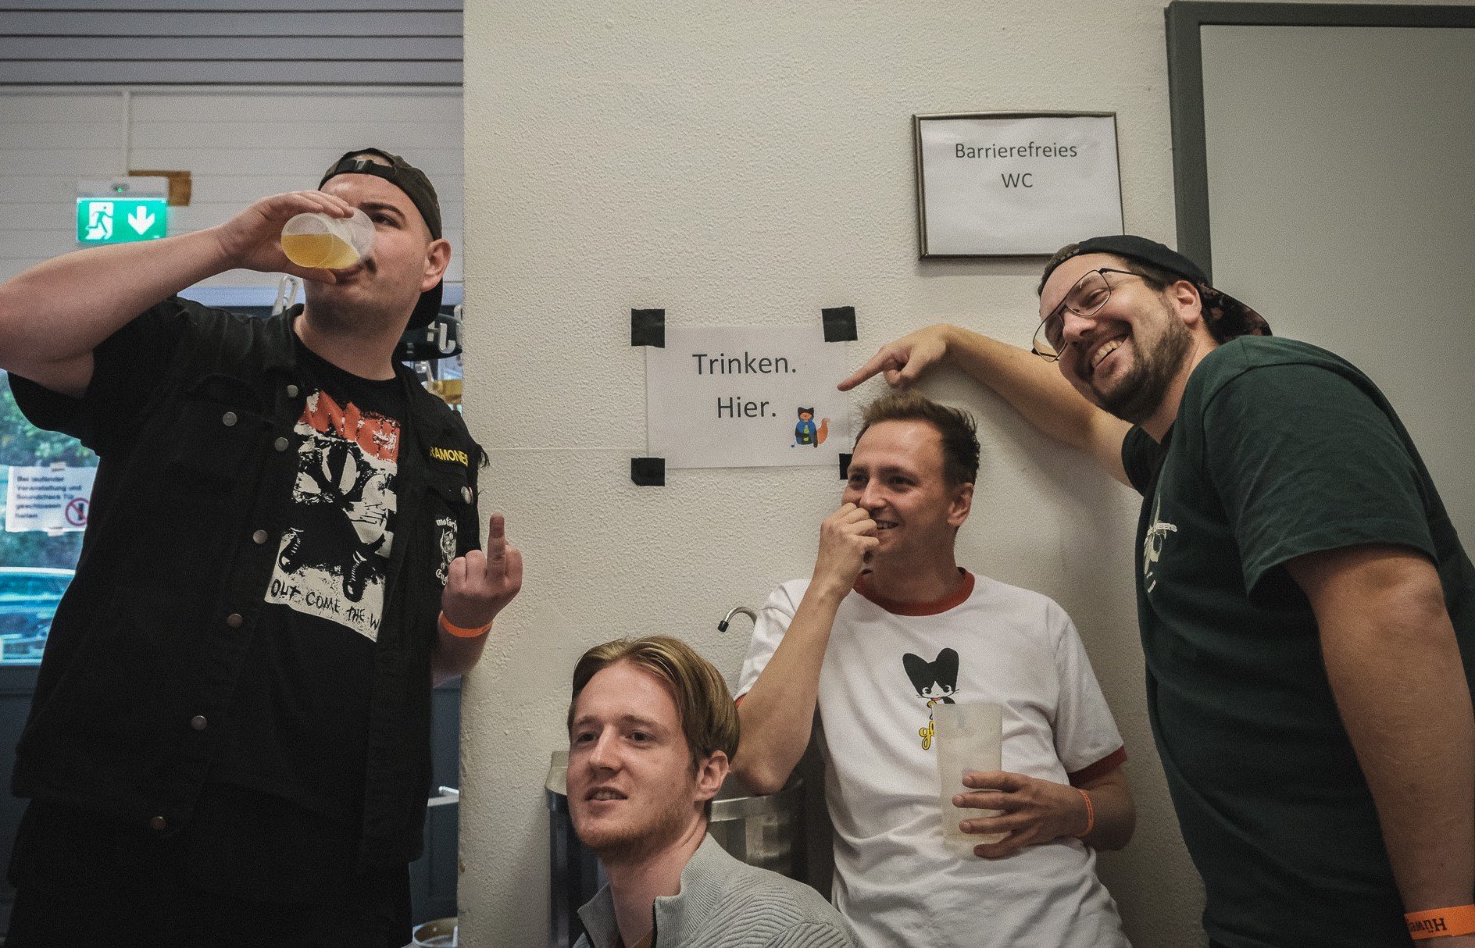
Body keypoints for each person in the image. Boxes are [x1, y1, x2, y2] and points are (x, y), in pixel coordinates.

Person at [841, 234, 1475, 948]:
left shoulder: (1255, 384)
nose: (1074, 330)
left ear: (1185, 297)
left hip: (1379, 910)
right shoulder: (1176, 455)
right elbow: (1082, 419)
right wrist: (954, 341)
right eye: (1056, 330)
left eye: (1095, 295)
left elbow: (1396, 613)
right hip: (1283, 909)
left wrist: (1445, 920)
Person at [0, 148, 523, 948]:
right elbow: (1, 326)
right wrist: (227, 244)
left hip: (333, 872)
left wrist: (468, 618)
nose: (352, 229)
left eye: (381, 218)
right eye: (334, 213)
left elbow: (427, 660)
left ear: (434, 262)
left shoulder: (444, 448)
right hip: (120, 844)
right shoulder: (194, 353)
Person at [731, 393, 1134, 948]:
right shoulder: (799, 608)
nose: (868, 498)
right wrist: (828, 585)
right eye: (857, 479)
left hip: (1067, 930)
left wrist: (1071, 810)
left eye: (898, 481)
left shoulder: (1037, 621)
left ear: (958, 503)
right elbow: (757, 767)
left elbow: (1119, 814)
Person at [567, 636, 859, 948]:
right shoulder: (592, 941)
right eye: (586, 737)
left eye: (638, 736)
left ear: (707, 775)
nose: (599, 758)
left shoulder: (792, 935)